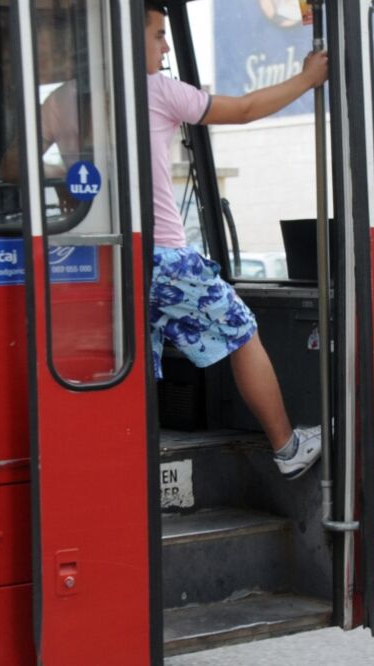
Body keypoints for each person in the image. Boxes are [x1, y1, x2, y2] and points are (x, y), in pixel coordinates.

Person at [144, 1, 327, 479]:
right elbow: (244, 110)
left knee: (138, 360)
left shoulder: (67, 99)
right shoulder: (158, 91)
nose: (165, 48)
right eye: (159, 35)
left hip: (109, 258)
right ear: (126, 39)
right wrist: (306, 79)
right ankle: (287, 448)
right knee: (242, 331)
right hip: (163, 258)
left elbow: (17, 167)